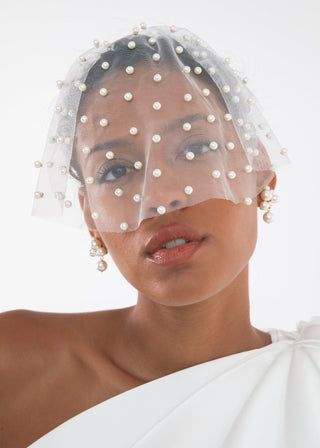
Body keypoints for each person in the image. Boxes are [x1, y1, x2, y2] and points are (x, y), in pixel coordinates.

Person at [1, 23, 319, 448]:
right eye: (116, 170)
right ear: (89, 213)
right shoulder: (13, 365)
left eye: (194, 149)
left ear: (259, 168)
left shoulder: (312, 382)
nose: (160, 197)